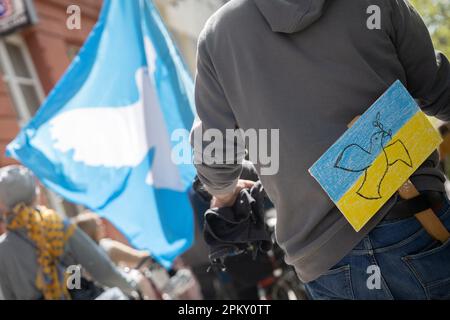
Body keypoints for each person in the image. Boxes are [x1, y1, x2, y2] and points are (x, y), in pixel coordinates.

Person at [191, 0, 450, 299]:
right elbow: (438, 89)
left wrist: (224, 193)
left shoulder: (218, 34)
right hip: (417, 221)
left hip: (325, 260)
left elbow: (215, 156)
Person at [0, 165, 138, 300]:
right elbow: (102, 270)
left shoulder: (3, 249)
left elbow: (8, 295)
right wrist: (133, 286)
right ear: (35, 195)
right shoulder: (57, 227)